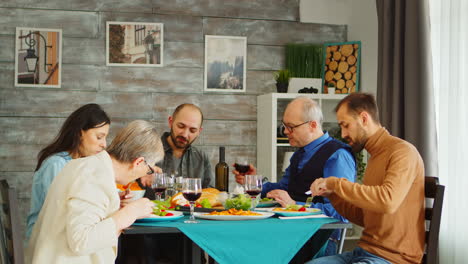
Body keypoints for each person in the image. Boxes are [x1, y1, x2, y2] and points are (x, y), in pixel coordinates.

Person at [308, 93, 425, 264]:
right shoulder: (375, 156)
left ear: (364, 118)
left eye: (346, 125)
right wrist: (332, 195)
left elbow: (388, 201)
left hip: (394, 259)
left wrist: (335, 183)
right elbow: (364, 217)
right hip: (363, 252)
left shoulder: (402, 152)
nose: (343, 134)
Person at [26, 120, 164, 264]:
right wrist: (129, 213)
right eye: (149, 169)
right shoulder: (96, 177)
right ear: (138, 162)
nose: (146, 173)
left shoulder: (87, 165)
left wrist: (114, 209)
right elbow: (81, 241)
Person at [234, 96, 356, 257]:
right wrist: (255, 182)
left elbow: (341, 212)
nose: (285, 132)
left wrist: (294, 206)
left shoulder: (338, 156)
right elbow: (286, 188)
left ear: (312, 125)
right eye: (284, 126)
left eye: (291, 127)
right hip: (292, 235)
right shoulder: (299, 154)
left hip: (319, 241)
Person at [26, 103, 111, 239]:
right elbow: (59, 214)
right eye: (99, 137)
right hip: (45, 241)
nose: (104, 144)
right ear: (79, 133)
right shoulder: (56, 164)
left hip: (60, 235)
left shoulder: (79, 164)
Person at [140, 103, 213, 194]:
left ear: (199, 131)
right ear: (171, 122)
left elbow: (210, 195)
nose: (185, 134)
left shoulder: (202, 157)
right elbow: (126, 187)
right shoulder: (146, 150)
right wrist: (141, 173)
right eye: (181, 126)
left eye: (192, 130)